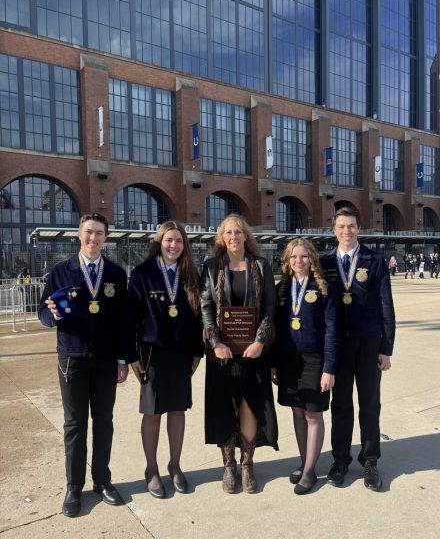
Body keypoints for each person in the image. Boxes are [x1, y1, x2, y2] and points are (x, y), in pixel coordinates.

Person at [38, 213, 128, 517]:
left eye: (99, 233)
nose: (93, 238)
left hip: (105, 360)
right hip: (72, 359)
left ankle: (102, 481)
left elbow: (122, 322)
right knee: (74, 425)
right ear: (79, 234)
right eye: (89, 232)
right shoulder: (60, 272)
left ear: (106, 237)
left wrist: (122, 359)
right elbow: (44, 313)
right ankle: (73, 486)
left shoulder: (116, 273)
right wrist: (54, 316)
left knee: (104, 421)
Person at [123, 221, 203, 499]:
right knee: (153, 412)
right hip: (151, 353)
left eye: (179, 241)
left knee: (178, 410)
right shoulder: (143, 274)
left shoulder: (190, 273)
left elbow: (197, 318)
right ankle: (151, 468)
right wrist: (131, 354)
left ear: (185, 245)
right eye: (169, 240)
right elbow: (129, 318)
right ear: (159, 242)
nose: (173, 245)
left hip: (181, 354)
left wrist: (197, 351)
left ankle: (175, 465)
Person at [200, 213, 278, 494]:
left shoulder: (260, 265)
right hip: (221, 353)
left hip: (253, 352)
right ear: (222, 237)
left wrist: (260, 340)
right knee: (225, 405)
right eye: (229, 232)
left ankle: (247, 463)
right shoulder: (211, 267)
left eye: (239, 232)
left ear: (246, 236)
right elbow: (206, 307)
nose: (234, 237)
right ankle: (228, 464)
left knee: (248, 404)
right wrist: (216, 342)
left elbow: (270, 307)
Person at [321, 207, 395, 491]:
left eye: (351, 226)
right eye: (341, 226)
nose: (346, 231)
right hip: (338, 345)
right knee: (340, 405)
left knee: (369, 404)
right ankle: (340, 461)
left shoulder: (374, 261)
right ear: (334, 229)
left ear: (359, 228)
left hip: (368, 342)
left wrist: (386, 347)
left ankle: (370, 460)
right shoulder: (325, 261)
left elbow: (386, 306)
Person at [271, 238, 339, 495]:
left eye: (303, 257)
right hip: (288, 360)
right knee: (297, 413)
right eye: (293, 257)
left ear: (312, 259)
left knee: (313, 415)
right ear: (287, 261)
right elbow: (275, 331)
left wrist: (329, 368)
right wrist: (274, 364)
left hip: (315, 360)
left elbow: (332, 331)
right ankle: (304, 462)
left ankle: (310, 471)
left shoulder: (323, 289)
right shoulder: (281, 289)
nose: (298, 261)